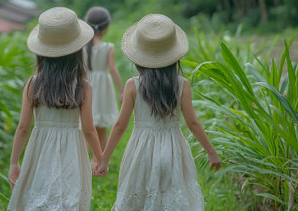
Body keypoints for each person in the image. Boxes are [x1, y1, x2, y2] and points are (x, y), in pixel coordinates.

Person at [95, 14, 222, 210]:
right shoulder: (182, 85)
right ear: (174, 55)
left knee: (142, 197)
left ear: (139, 56)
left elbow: (120, 126)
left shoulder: (133, 85)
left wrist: (104, 159)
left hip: (141, 150)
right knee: (171, 198)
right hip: (173, 149)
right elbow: (193, 123)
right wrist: (212, 153)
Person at [7, 7, 103, 210]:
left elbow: (23, 127)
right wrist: (99, 158)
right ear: (78, 51)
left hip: (40, 148)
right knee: (68, 194)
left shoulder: (33, 84)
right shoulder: (84, 86)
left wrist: (14, 162)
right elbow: (88, 130)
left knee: (39, 193)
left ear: (42, 52)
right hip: (72, 149)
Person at [83, 6, 124, 150]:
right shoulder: (108, 47)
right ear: (106, 27)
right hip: (102, 88)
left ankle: (85, 157)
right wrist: (121, 91)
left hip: (85, 85)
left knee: (86, 124)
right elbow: (113, 69)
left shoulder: (81, 46)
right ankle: (98, 159)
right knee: (101, 126)